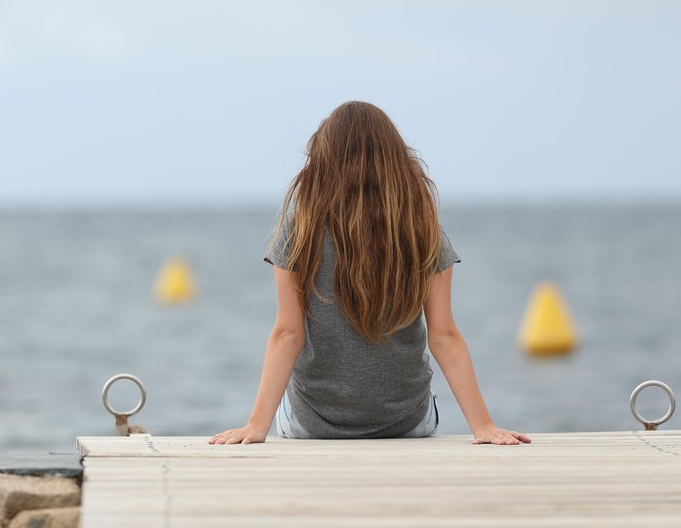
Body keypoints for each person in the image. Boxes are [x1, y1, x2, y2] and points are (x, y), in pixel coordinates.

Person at [208, 101, 531, 446]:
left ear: (324, 159)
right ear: (394, 159)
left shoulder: (300, 228)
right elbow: (444, 335)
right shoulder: (421, 226)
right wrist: (483, 426)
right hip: (407, 421)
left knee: (292, 399)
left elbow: (288, 334)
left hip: (314, 425)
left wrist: (256, 426)